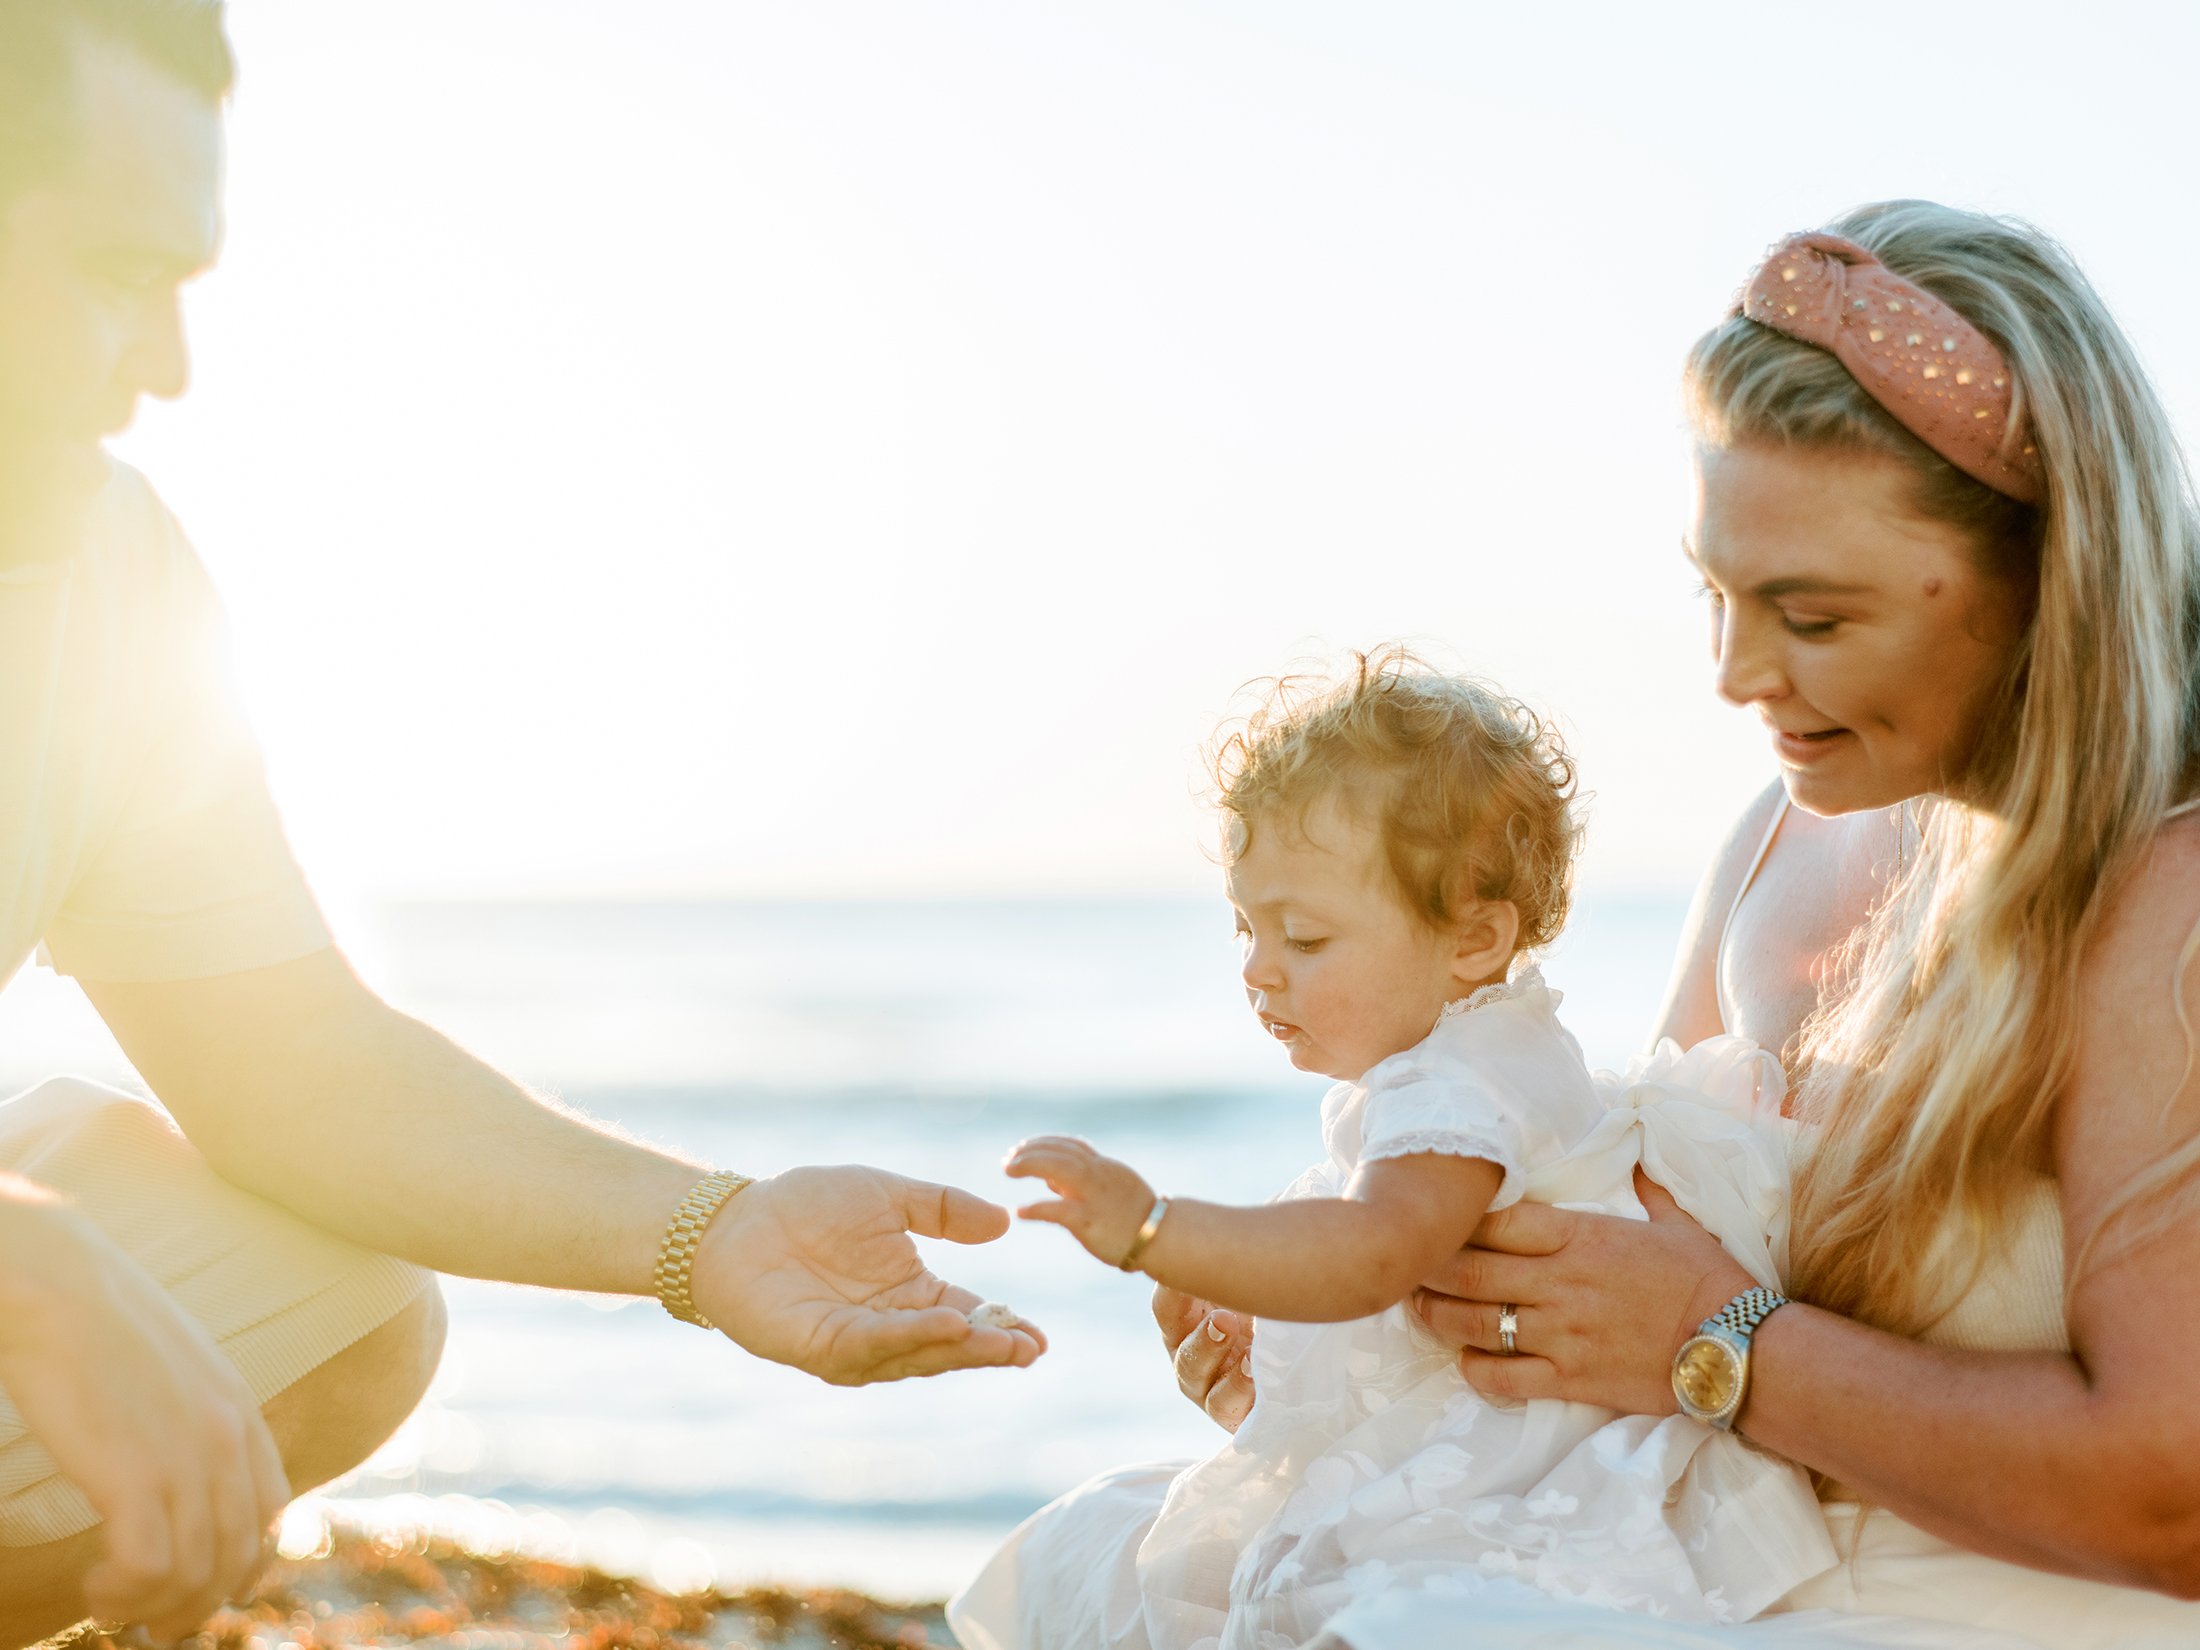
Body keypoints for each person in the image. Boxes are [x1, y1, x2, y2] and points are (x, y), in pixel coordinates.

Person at [0, 6, 1040, 1646]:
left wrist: (708, 1234)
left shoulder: (111, 576)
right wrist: (30, 1275)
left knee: (341, 1310)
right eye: (120, 271)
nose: (169, 366)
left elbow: (289, 1059)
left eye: (183, 282)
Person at [1163, 202, 2200, 1649]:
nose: (1734, 674)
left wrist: (1726, 1345)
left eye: (1815, 618)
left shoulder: (2170, 898)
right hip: (1720, 1576)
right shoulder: (1784, 838)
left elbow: (2176, 1491)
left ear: (2049, 585)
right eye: (1715, 591)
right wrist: (1363, 1357)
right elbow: (1619, 1290)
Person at [950, 653, 1834, 1650]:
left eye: (1303, 938)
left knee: (1225, 1581)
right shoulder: (1505, 1046)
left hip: (1527, 1471)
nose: (1256, 971)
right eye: (1244, 927)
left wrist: (1154, 1231)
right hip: (1560, 1432)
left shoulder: (1449, 1085)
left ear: (1472, 937)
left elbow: (1371, 1254)